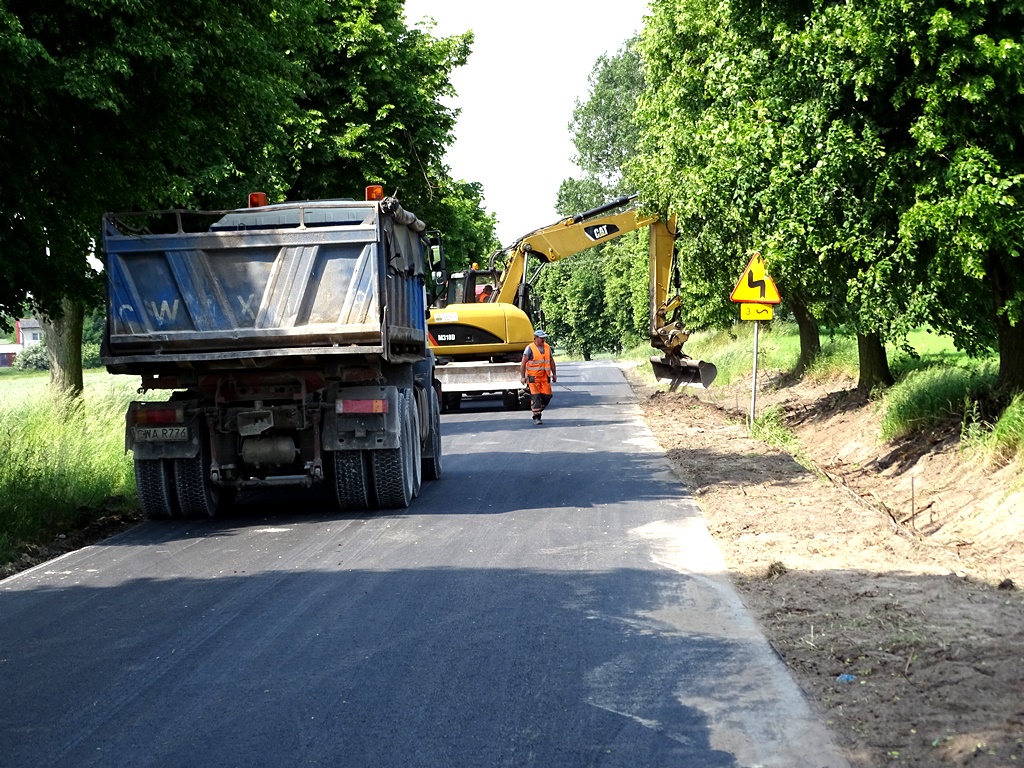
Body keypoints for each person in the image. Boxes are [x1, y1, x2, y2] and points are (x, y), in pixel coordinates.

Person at [520, 329, 557, 424]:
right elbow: (523, 362)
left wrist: (554, 374)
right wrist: (523, 376)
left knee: (547, 396)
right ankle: (537, 417)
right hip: (533, 378)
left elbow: (551, 361)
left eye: (544, 338)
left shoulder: (547, 347)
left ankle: (538, 409)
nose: (543, 340)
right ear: (535, 339)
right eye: (541, 338)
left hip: (545, 377)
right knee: (535, 397)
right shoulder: (530, 348)